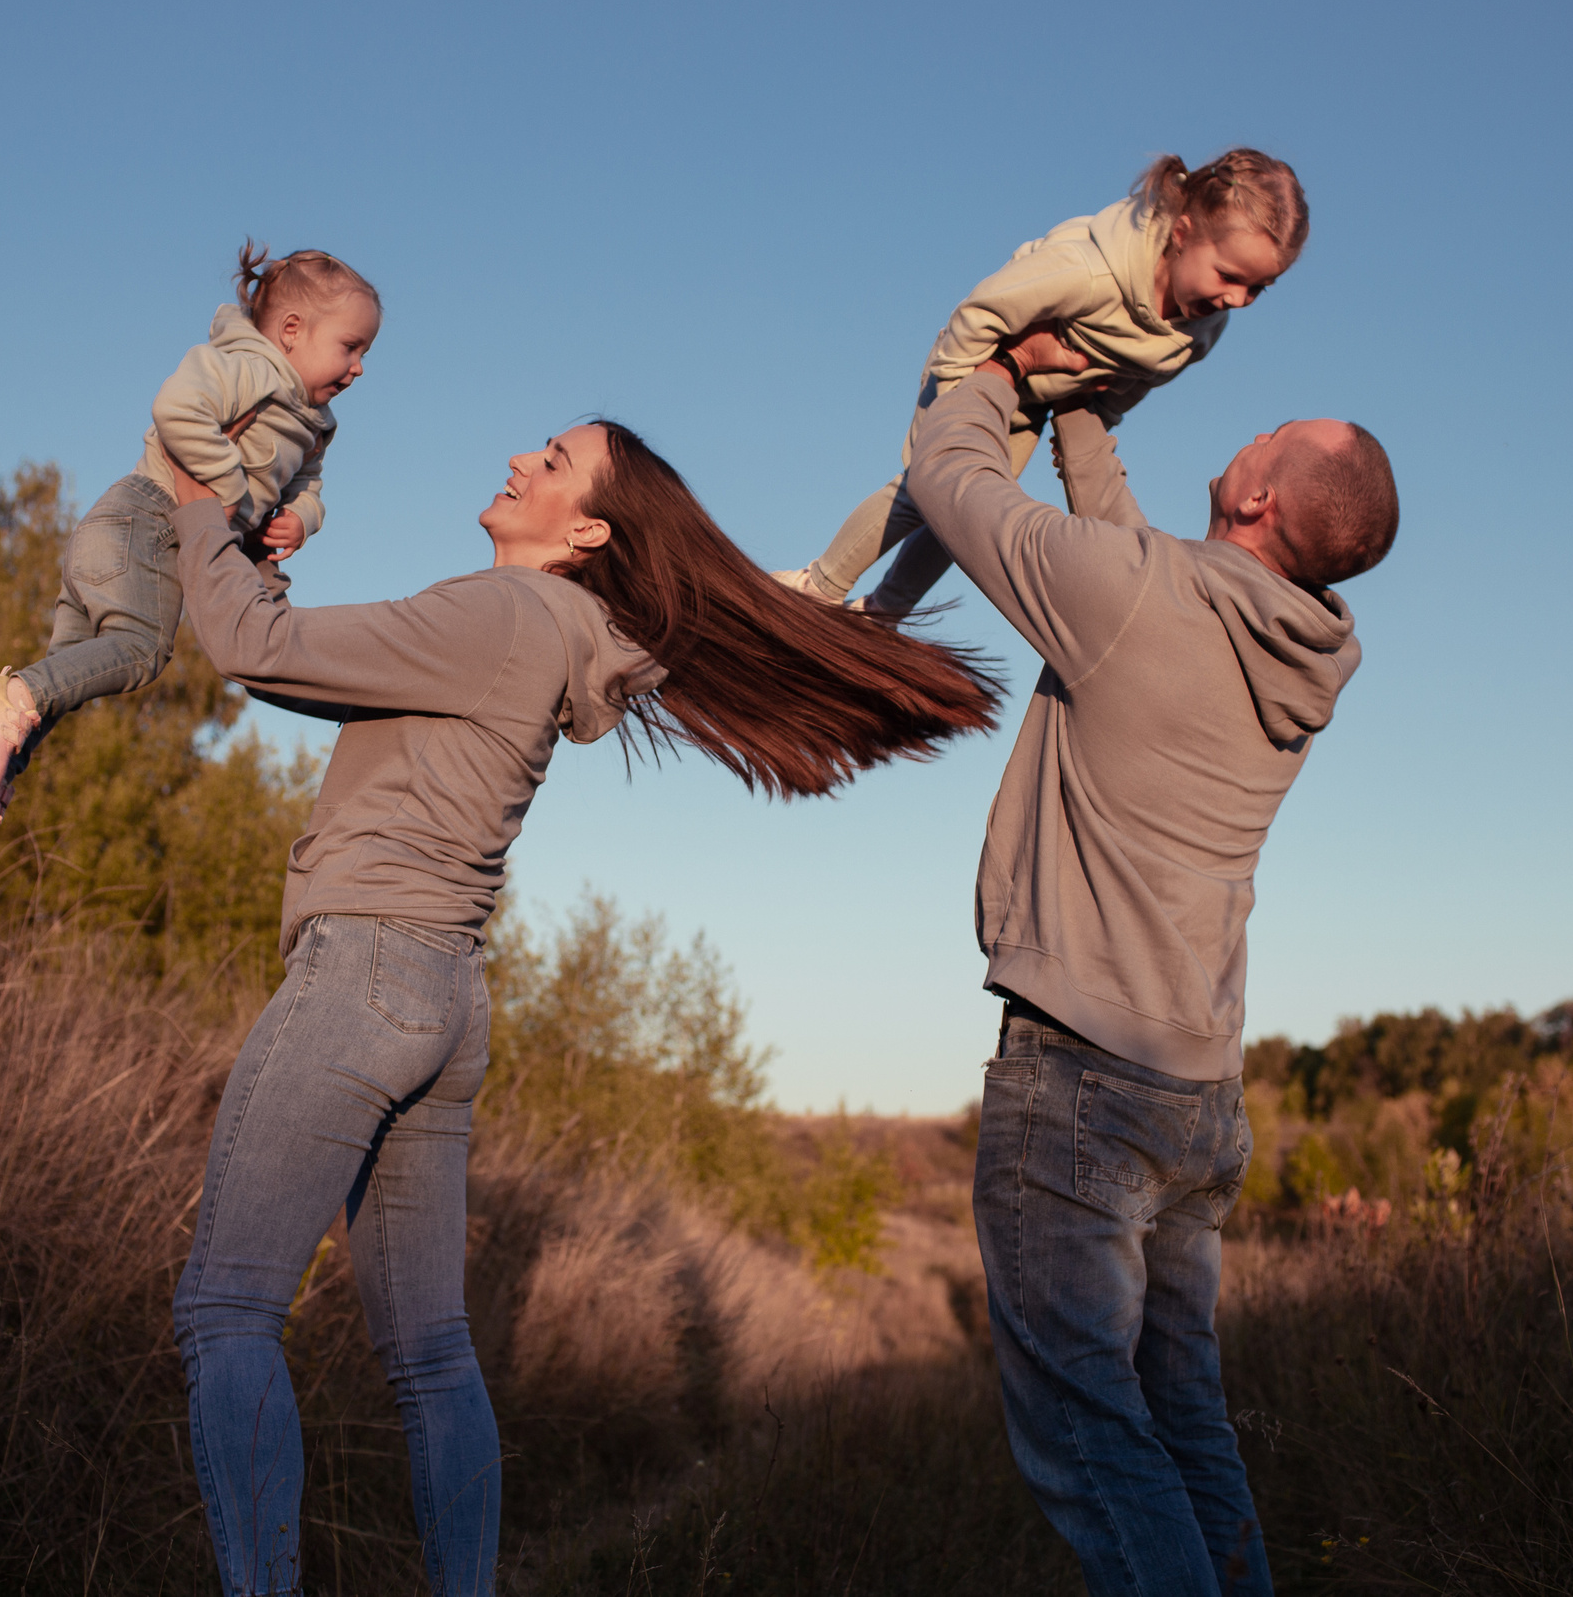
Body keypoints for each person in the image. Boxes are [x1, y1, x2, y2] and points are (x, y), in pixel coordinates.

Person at [163, 420, 1000, 1597]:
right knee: (430, 1354)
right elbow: (300, 663)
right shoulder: (575, 635)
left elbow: (250, 650)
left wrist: (198, 505)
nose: (518, 459)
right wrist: (254, 555)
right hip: (446, 1000)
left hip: (363, 979)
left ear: (589, 529)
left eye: (551, 461)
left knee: (226, 1312)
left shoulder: (498, 616)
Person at [907, 326, 1398, 1596]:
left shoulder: (1135, 599)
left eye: (1262, 436)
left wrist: (1004, 380)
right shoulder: (1291, 646)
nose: (1242, 433)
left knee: (1091, 1441)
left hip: (1080, 1084)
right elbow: (1129, 557)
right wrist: (1081, 415)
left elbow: (952, 481)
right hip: (1196, 1095)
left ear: (1256, 495)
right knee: (1184, 1423)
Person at [0, 244, 382, 865]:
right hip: (148, 519)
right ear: (292, 332)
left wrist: (300, 519)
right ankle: (11, 696)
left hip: (125, 534)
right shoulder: (251, 368)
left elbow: (309, 485)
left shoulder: (314, 421)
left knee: (73, 675)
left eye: (365, 354)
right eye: (350, 347)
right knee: (142, 651)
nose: (359, 368)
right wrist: (229, 487)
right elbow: (177, 409)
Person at [777, 149, 1308, 617]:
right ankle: (821, 584)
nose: (1238, 299)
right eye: (1229, 276)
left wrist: (1094, 422)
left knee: (967, 510)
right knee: (926, 488)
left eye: (1259, 289)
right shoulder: (1086, 273)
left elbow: (1138, 381)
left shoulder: (1202, 331)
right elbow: (980, 313)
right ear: (1183, 232)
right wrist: (954, 407)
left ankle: (887, 612)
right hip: (978, 364)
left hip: (1033, 401)